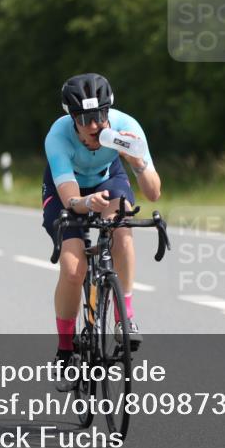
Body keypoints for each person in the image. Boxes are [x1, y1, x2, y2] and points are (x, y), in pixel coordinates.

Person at [42, 73, 161, 390]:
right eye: (86, 119)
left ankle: (126, 314)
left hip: (109, 179)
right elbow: (70, 199)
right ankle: (65, 352)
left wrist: (138, 162)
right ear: (72, 118)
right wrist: (85, 202)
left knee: (121, 226)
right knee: (72, 269)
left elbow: (153, 193)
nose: (96, 126)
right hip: (69, 189)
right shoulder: (58, 136)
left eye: (101, 116)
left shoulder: (127, 128)